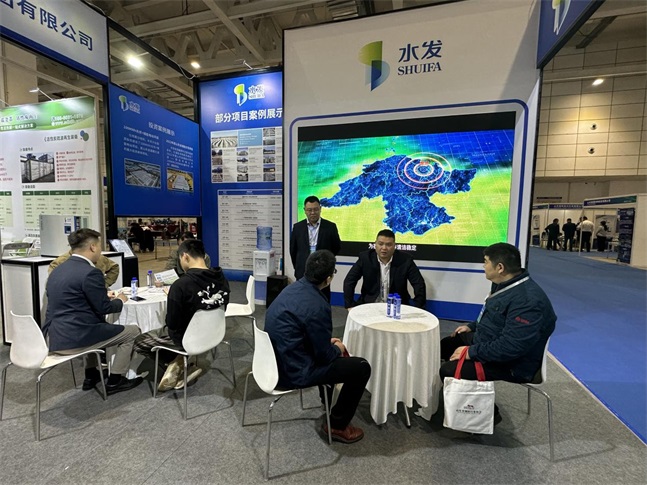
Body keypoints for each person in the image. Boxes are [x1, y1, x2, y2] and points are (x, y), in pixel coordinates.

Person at [439, 243, 557, 423]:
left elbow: (511, 347)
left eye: (486, 262)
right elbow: (493, 316)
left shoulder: (528, 302)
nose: (483, 266)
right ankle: (458, 396)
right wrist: (472, 326)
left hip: (513, 363)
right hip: (489, 341)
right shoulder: (504, 284)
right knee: (446, 345)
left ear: (500, 267)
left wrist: (471, 352)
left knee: (448, 370)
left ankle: (488, 416)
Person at [265, 250, 371, 443]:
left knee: (333, 350)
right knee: (361, 367)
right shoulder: (318, 305)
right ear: (329, 278)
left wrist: (327, 344)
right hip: (294, 372)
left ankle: (328, 403)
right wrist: (337, 348)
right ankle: (337, 425)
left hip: (272, 363)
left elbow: (301, 331)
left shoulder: (291, 289)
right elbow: (324, 357)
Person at [42, 228, 143, 395]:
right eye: (100, 246)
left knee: (94, 323)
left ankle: (91, 374)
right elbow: (105, 308)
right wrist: (120, 300)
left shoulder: (57, 270)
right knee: (132, 332)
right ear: (93, 247)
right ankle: (116, 379)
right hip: (76, 339)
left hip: (53, 337)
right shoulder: (91, 272)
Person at [134, 238, 229, 391]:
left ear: (185, 256)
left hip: (187, 339)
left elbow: (172, 323)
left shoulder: (181, 285)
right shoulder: (222, 279)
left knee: (140, 340)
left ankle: (177, 365)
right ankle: (180, 365)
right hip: (214, 334)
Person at [343, 229, 426, 309]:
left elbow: (419, 284)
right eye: (380, 244)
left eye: (388, 245)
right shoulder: (365, 258)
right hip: (370, 304)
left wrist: (418, 307)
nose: (384, 248)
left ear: (394, 246)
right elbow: (349, 281)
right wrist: (350, 305)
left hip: (397, 306)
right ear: (375, 244)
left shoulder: (406, 260)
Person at [289, 195, 341, 301]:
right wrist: (298, 267)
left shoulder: (330, 227)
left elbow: (336, 247)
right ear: (305, 210)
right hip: (303, 271)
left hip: (323, 270)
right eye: (309, 210)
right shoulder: (298, 227)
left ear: (320, 209)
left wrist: (327, 263)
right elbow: (293, 250)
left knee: (322, 299)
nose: (313, 213)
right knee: (302, 300)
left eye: (315, 209)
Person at [49, 250, 120, 288]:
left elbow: (114, 267)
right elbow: (53, 285)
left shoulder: (99, 258)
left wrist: (105, 284)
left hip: (96, 298)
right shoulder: (60, 262)